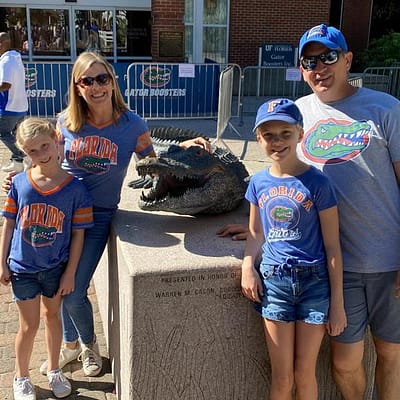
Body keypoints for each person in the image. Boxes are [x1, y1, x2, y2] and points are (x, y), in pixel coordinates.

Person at [0, 51, 212, 378]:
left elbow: (151, 160)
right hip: (55, 214)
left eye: (102, 78)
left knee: (74, 289)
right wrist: (22, 174)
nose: (96, 86)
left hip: (96, 217)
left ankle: (89, 344)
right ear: (78, 86)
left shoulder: (132, 124)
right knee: (57, 286)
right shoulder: (65, 123)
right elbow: (43, 156)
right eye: (88, 80)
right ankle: (70, 345)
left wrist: (185, 149)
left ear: (112, 81)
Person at [219, 24, 400, 400]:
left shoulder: (386, 109)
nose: (319, 67)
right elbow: (281, 178)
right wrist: (259, 230)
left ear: (348, 59)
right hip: (335, 268)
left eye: (329, 56)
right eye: (309, 60)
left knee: (391, 353)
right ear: (301, 69)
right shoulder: (296, 114)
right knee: (345, 363)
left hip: (386, 258)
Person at [242, 98, 346, 400]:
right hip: (276, 284)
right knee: (282, 378)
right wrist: (248, 266)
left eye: (285, 133)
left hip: (315, 285)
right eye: (269, 135)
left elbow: (332, 245)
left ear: (300, 134)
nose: (277, 142)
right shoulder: (258, 183)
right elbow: (255, 232)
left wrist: (337, 304)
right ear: (258, 139)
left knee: (304, 375)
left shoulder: (318, 183)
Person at [0, 117, 94, 400]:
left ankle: (54, 369)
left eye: (44, 146)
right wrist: (1, 261)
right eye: (32, 151)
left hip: (55, 267)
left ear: (56, 138)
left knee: (52, 316)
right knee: (28, 326)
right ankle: (22, 376)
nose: (41, 154)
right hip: (23, 268)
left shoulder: (76, 189)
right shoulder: (19, 183)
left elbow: (78, 235)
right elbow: (9, 224)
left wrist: (70, 273)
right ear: (24, 153)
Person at [0, 32, 28, 173]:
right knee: (16, 135)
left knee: (2, 132)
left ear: (2, 44)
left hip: (10, 106)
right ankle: (17, 163)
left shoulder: (6, 61)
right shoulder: (16, 58)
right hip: (21, 105)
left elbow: (6, 85)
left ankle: (23, 156)